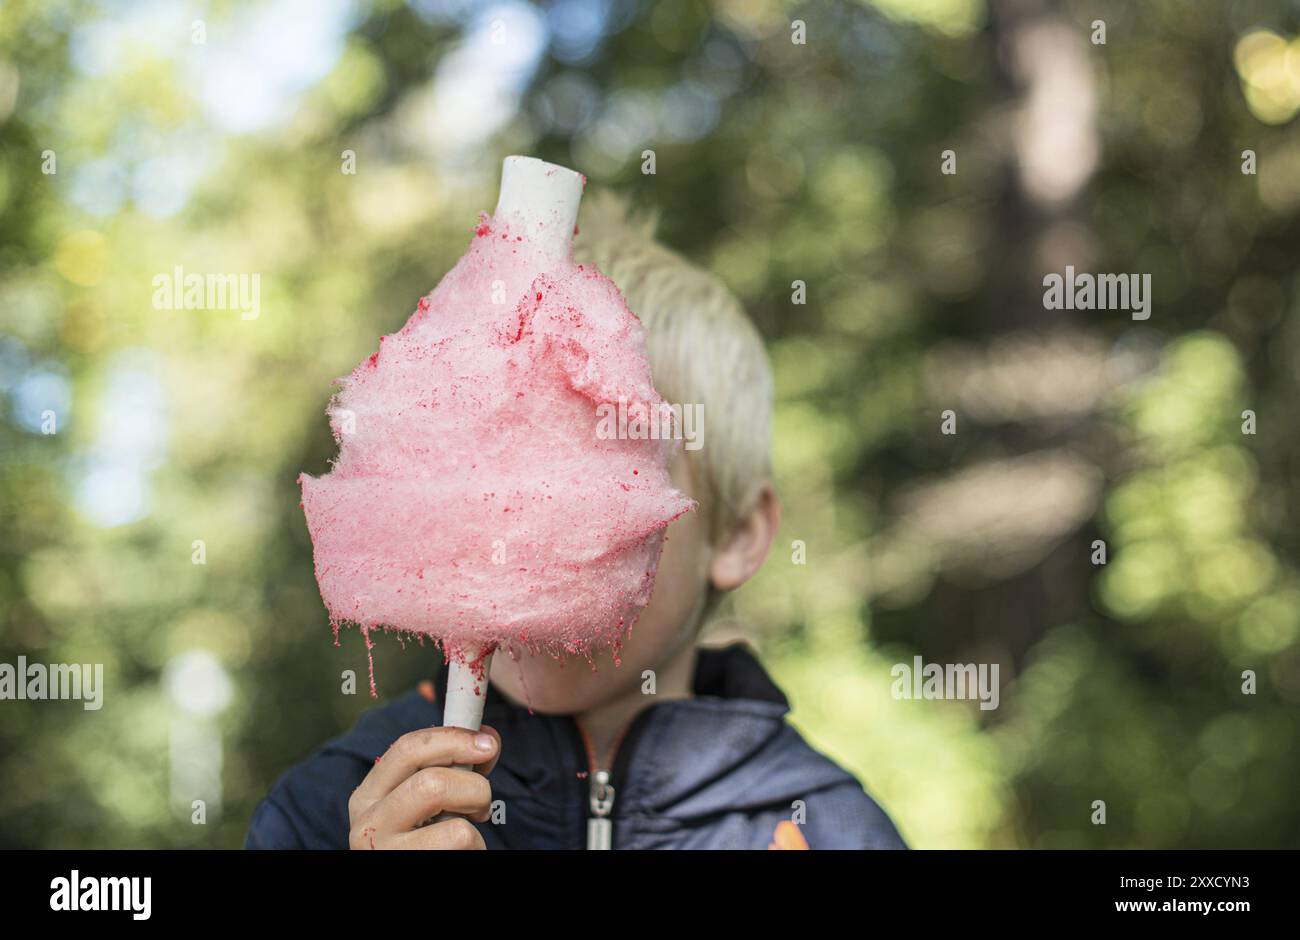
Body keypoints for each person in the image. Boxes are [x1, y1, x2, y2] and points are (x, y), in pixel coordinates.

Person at [246, 194, 904, 850]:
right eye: (496, 465)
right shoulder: (332, 811)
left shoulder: (830, 831)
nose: (521, 534)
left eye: (612, 464)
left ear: (735, 534)